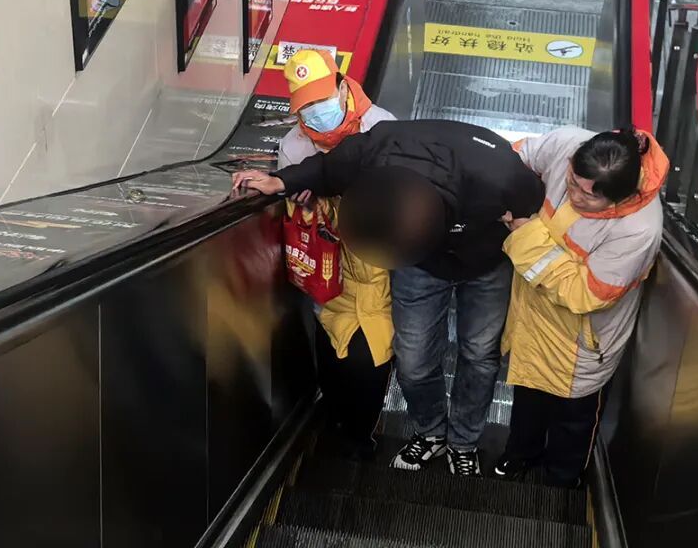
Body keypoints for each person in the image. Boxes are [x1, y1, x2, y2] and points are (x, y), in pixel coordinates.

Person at [233, 120, 545, 476]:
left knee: (479, 354)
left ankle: (463, 442)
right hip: (420, 264)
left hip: (487, 264)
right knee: (412, 357)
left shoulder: (501, 176)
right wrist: (280, 181)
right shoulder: (374, 150)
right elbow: (327, 169)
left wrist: (521, 228)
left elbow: (536, 206)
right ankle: (430, 433)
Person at [495, 126, 668, 487]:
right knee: (526, 394)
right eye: (571, 181)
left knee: (572, 419)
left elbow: (583, 294)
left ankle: (561, 482)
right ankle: (519, 454)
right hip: (531, 319)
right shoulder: (567, 144)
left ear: (619, 198)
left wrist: (526, 235)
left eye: (587, 195)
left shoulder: (639, 230)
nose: (572, 194)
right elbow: (511, 157)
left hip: (580, 344)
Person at [276, 49, 397, 459]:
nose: (315, 112)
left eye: (321, 98)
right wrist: (305, 204)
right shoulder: (294, 147)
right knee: (331, 354)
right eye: (305, 105)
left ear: (343, 87)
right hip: (329, 271)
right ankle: (336, 424)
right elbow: (294, 213)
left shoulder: (381, 127)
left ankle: (360, 436)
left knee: (370, 361)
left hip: (381, 268)